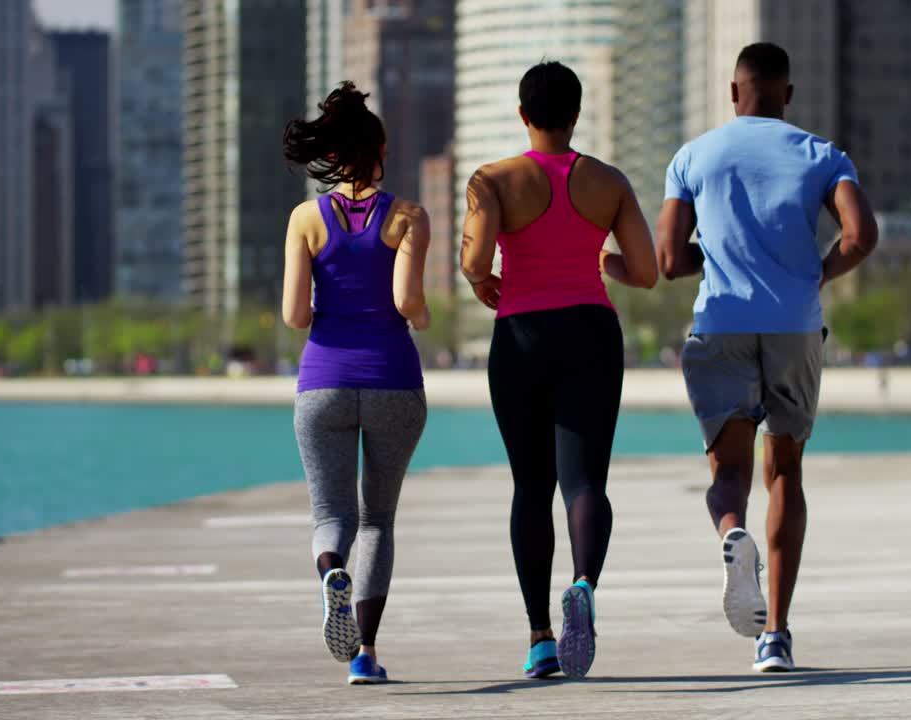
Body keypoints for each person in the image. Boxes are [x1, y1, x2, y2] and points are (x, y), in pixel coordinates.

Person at [657, 43, 878, 672]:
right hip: (794, 328)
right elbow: (861, 236)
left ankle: (732, 532)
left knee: (729, 477)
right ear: (787, 94)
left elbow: (670, 260)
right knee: (784, 474)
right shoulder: (821, 154)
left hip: (721, 323)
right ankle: (775, 635)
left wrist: (726, 256)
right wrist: (812, 274)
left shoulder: (693, 157)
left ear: (734, 93)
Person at [460, 61, 658, 680]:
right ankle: (583, 584)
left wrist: (481, 278)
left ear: (523, 114)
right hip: (591, 333)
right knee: (584, 484)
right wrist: (604, 260)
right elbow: (647, 271)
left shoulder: (492, 180)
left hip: (520, 337)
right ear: (576, 115)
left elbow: (472, 257)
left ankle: (541, 637)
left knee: (530, 487)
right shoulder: (610, 182)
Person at [281, 82, 432, 685]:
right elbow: (406, 302)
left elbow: (295, 315)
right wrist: (418, 317)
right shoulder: (408, 217)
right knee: (379, 520)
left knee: (333, 512)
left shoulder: (303, 219)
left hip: (323, 382)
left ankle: (329, 572)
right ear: (382, 149)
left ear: (335, 154)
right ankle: (365, 655)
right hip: (394, 378)